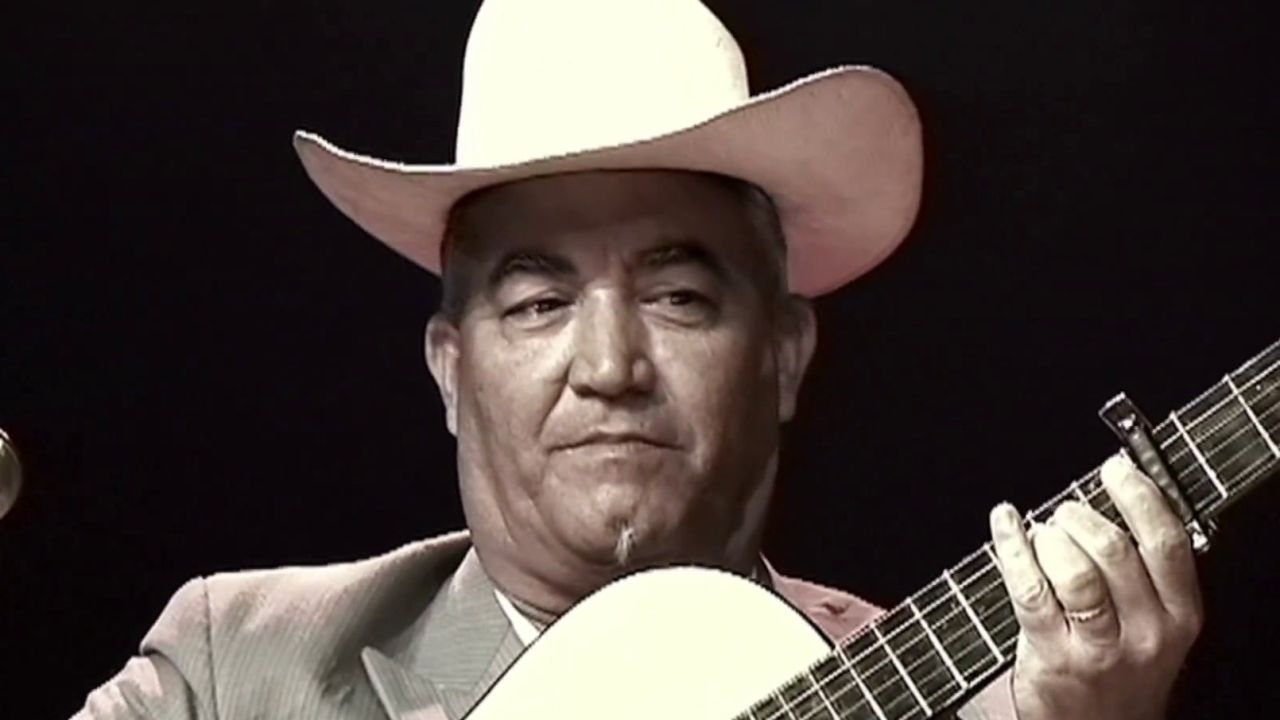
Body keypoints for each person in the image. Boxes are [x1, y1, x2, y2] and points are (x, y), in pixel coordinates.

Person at [74, 1, 1202, 718]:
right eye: (538, 303)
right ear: (450, 371)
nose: (609, 366)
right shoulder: (236, 666)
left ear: (784, 358)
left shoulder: (958, 698)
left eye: (676, 298)